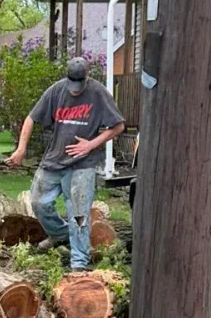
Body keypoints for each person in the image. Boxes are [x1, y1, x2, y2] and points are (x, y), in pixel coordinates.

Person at [7, 58, 125, 271]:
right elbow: (31, 118)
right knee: (38, 203)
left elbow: (118, 126)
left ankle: (79, 262)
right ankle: (60, 234)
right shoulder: (57, 90)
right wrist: (21, 149)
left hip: (82, 165)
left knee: (79, 214)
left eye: (79, 85)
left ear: (87, 77)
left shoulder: (98, 93)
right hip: (54, 160)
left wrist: (91, 144)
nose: (75, 91)